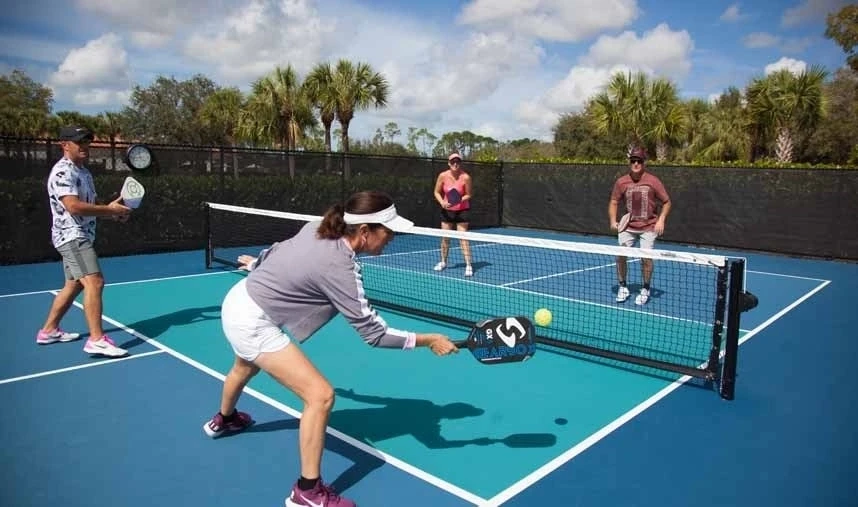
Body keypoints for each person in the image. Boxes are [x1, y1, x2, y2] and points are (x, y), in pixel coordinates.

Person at [203, 190, 459, 507]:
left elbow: (279, 252)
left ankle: (225, 419)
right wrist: (429, 339)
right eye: (388, 231)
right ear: (365, 232)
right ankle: (307, 492)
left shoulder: (317, 226)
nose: (392, 238)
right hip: (254, 321)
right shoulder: (341, 268)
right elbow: (374, 334)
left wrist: (257, 264)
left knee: (244, 366)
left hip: (240, 298)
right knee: (320, 396)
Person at [36, 126, 131, 357]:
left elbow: (91, 206)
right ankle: (97, 340)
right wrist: (109, 210)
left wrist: (113, 212)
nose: (85, 147)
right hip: (71, 235)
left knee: (74, 284)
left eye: (87, 143)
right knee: (95, 282)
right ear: (64, 145)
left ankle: (48, 331)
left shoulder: (84, 173)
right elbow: (73, 206)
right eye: (80, 143)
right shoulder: (63, 172)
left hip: (81, 233)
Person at [608, 146, 671, 306]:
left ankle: (645, 289)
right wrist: (613, 221)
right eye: (633, 161)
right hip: (628, 227)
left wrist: (661, 220)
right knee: (620, 256)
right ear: (630, 162)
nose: (636, 164)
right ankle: (623, 287)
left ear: (644, 163)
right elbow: (614, 201)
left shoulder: (653, 181)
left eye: (639, 161)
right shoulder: (621, 182)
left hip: (649, 226)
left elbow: (667, 202)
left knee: (646, 259)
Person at [432, 152, 473, 276]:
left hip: (462, 210)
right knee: (445, 238)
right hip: (447, 210)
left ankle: (468, 265)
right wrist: (442, 203)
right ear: (449, 163)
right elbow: (436, 192)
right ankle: (443, 262)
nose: (455, 164)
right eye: (453, 162)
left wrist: (459, 200)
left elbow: (469, 194)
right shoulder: (442, 176)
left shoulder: (466, 177)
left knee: (463, 238)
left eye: (458, 162)